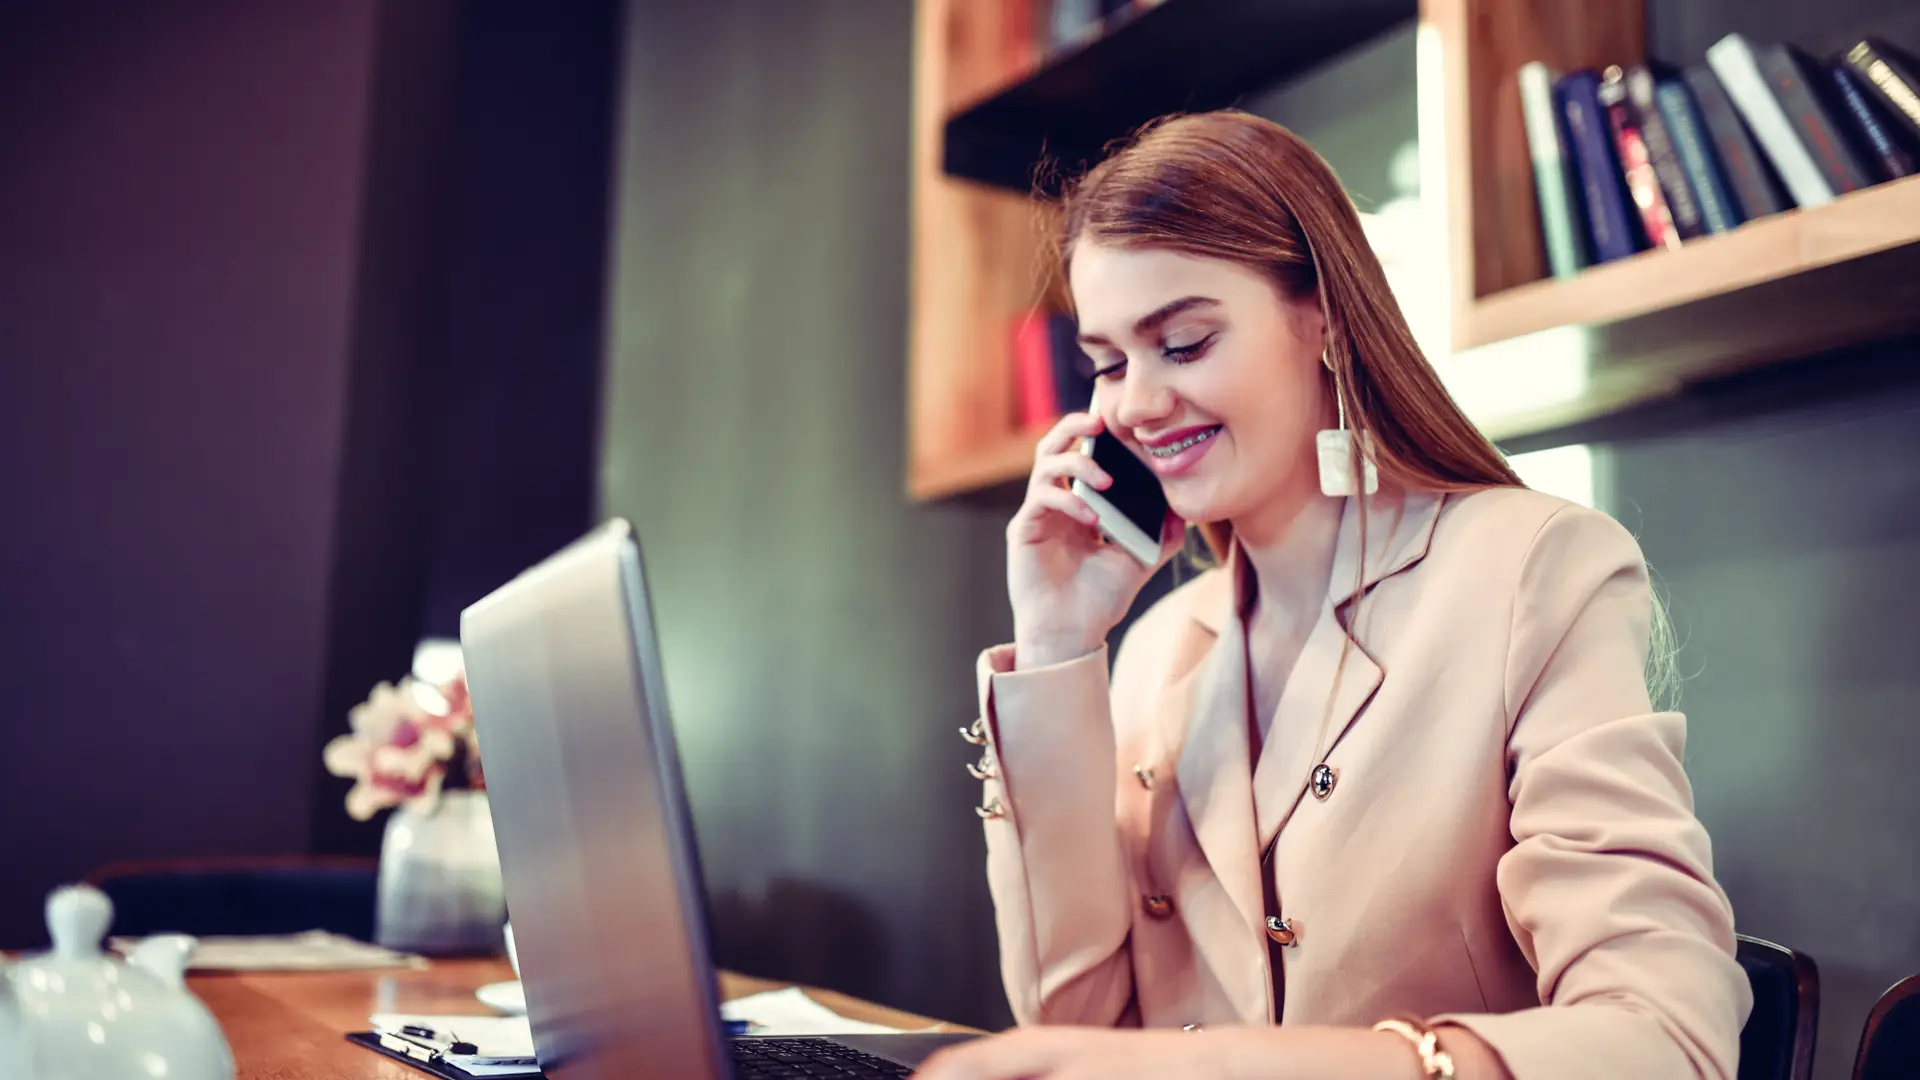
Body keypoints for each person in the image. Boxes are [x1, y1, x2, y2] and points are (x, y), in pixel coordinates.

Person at [916, 112, 1751, 1080]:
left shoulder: (1535, 570)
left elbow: (1670, 1039)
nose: (1134, 405)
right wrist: (1057, 647)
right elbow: (1070, 1015)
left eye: (1182, 343)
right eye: (1107, 363)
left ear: (1323, 319)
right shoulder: (1154, 650)